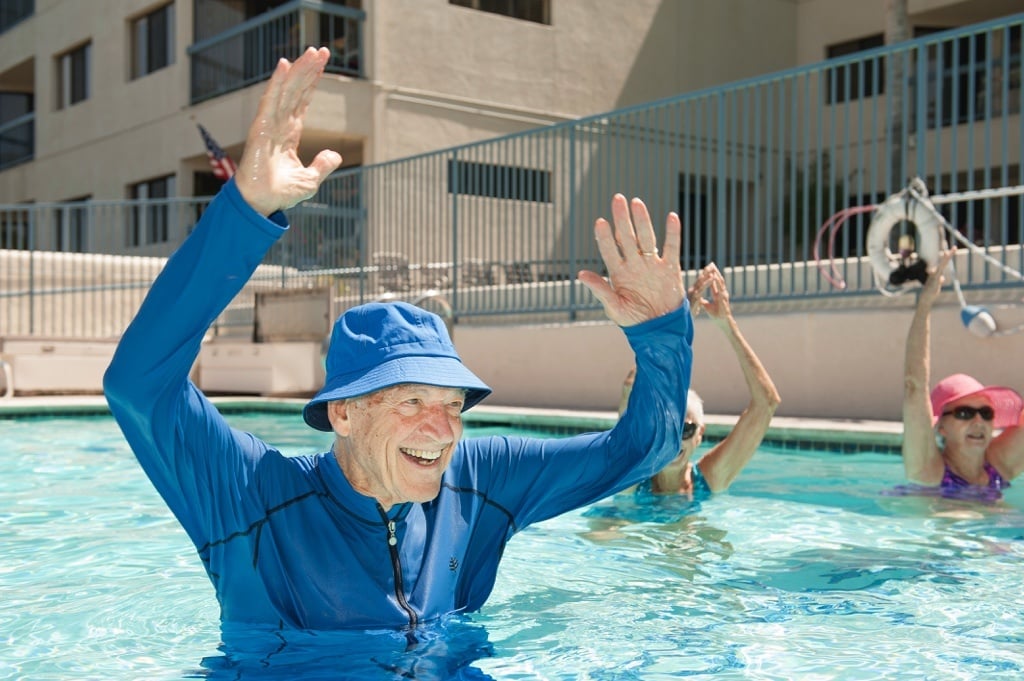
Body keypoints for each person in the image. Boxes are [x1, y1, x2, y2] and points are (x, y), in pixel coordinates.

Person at [103, 47, 694, 631]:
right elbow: (137, 383)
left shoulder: (479, 482)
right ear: (343, 413)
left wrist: (660, 331)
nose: (441, 430)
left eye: (452, 404)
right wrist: (246, 210)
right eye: (411, 401)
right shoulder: (251, 498)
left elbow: (643, 451)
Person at [617, 262, 780, 499]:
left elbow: (767, 403)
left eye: (685, 429)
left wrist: (727, 324)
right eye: (666, 427)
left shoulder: (709, 479)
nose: (674, 440)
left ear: (699, 434)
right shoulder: (631, 479)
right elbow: (630, 387)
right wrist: (679, 329)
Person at [900, 248, 1024, 499]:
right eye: (964, 413)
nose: (978, 422)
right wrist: (925, 304)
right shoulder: (929, 471)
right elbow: (914, 386)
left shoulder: (1000, 465)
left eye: (986, 413)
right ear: (942, 427)